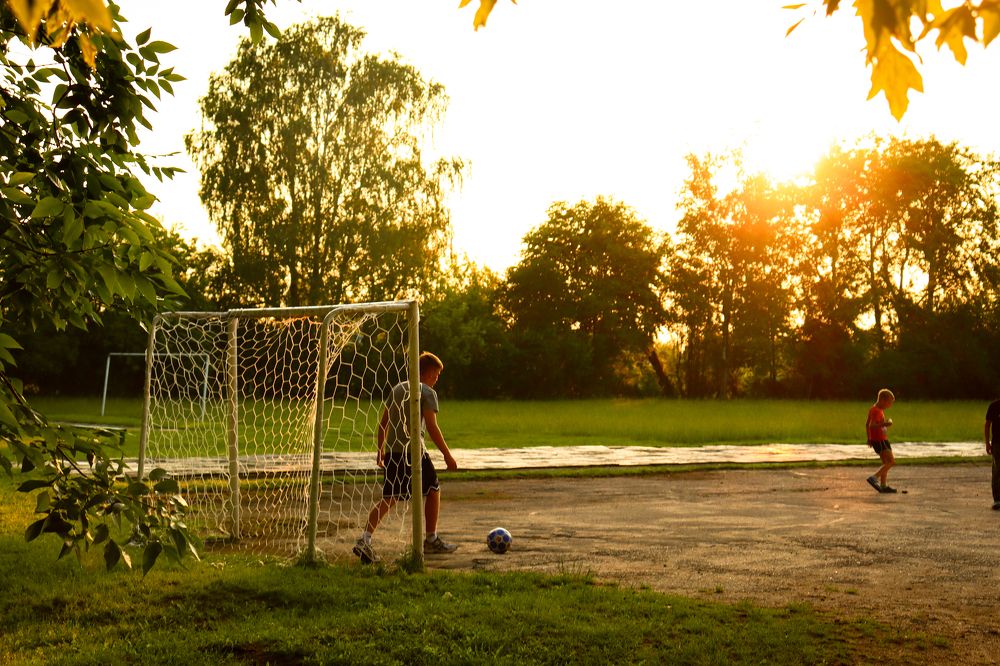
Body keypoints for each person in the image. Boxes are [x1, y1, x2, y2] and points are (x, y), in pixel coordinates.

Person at [353, 352, 459, 563]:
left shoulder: (397, 389)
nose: (437, 379)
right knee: (434, 489)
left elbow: (383, 424)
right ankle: (431, 539)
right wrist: (447, 455)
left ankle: (365, 539)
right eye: (436, 374)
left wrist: (380, 450)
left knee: (389, 497)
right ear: (428, 372)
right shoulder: (426, 392)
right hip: (414, 452)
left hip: (393, 452)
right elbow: (432, 426)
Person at [865, 388, 897, 493]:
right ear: (883, 400)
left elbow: (867, 424)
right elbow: (872, 425)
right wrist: (885, 424)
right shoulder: (877, 411)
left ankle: (883, 485)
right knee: (891, 462)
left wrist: (869, 438)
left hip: (877, 439)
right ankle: (874, 477)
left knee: (885, 463)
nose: (890, 406)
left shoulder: (873, 409)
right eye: (889, 403)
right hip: (880, 440)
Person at [985, 398, 1000, 511]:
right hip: (997, 443)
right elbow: (987, 425)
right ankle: (997, 499)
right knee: (997, 471)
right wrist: (987, 443)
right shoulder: (994, 406)